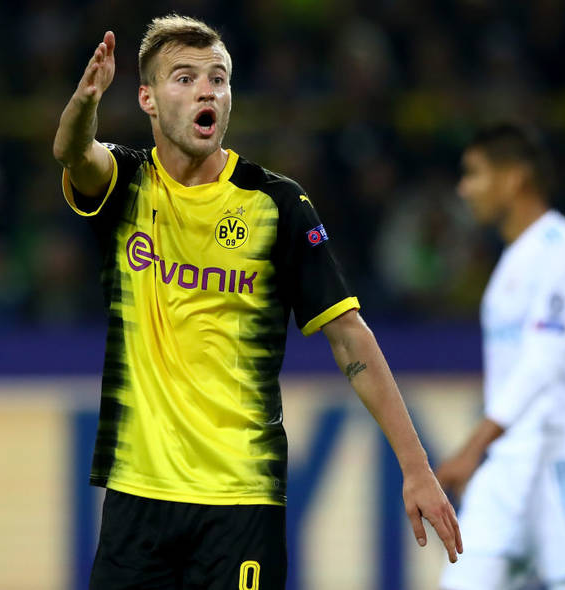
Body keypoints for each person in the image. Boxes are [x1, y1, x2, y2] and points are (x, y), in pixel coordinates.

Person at [52, 15, 461, 589]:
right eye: (185, 78)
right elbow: (73, 153)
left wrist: (416, 467)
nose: (206, 92)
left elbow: (350, 338)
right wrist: (85, 102)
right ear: (147, 98)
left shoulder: (277, 204)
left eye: (218, 79)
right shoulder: (127, 183)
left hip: (242, 502)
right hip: (137, 497)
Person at [437, 123, 565, 590]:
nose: (464, 189)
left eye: (474, 174)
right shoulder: (513, 259)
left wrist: (471, 448)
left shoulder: (563, 251)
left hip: (562, 457)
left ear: (514, 177)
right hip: (508, 463)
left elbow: (542, 362)